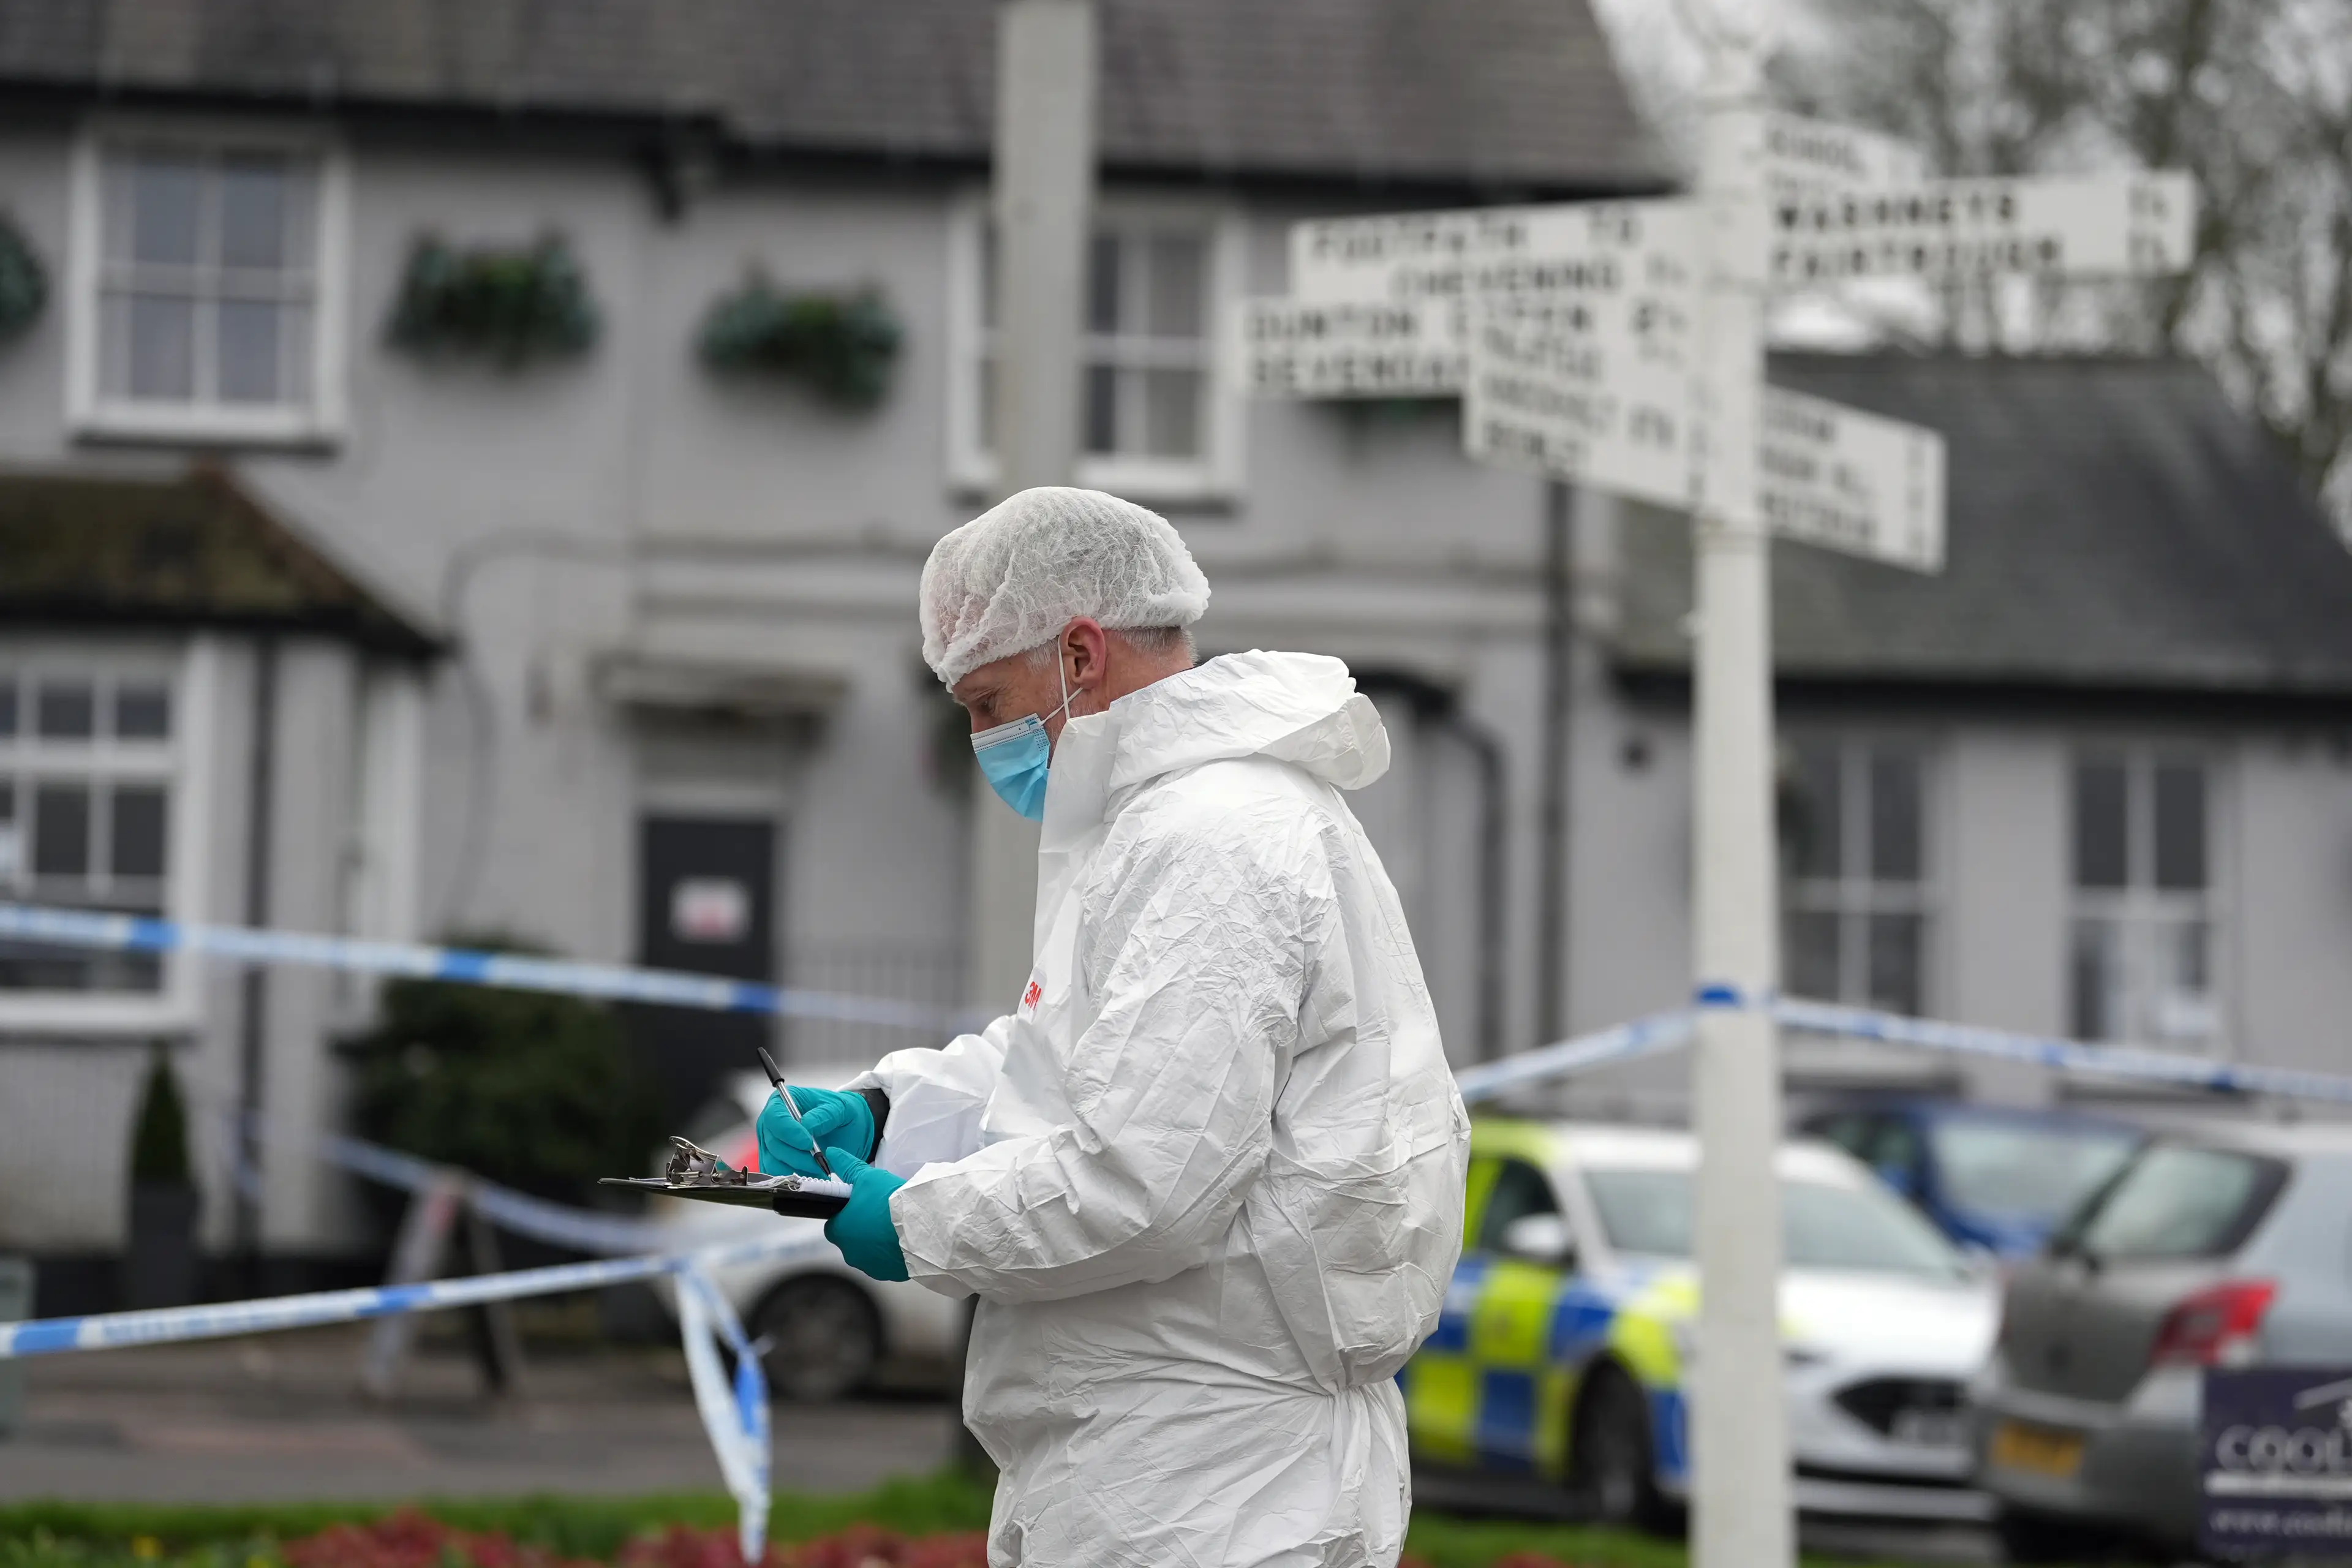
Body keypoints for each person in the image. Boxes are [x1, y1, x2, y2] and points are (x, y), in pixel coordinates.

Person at [759, 486, 1469, 1567]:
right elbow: (1077, 1062)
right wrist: (889, 1109)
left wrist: (916, 1221)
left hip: (1206, 1477)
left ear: (1079, 656)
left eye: (989, 701)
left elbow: (1145, 1181)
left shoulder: (1213, 840)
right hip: (1164, 1453)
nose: (981, 738)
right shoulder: (1167, 826)